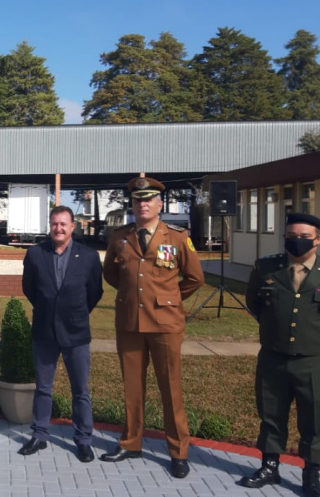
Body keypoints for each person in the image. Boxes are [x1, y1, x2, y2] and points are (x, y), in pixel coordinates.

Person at [240, 213, 320, 497]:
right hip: (273, 357)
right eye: (292, 234)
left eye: (305, 236)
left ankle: (311, 476)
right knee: (270, 414)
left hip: (314, 361)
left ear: (318, 239)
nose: (297, 240)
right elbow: (254, 303)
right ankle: (270, 467)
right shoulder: (266, 267)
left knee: (314, 419)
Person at [100, 176, 203, 478]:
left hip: (165, 325)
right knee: (132, 387)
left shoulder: (177, 237)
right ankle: (131, 442)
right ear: (132, 204)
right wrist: (136, 298)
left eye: (148, 200)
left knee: (170, 388)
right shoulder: (119, 236)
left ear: (160, 204)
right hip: (130, 322)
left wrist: (168, 299)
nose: (142, 204)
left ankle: (178, 451)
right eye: (137, 200)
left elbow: (195, 278)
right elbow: (111, 275)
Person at [19, 206, 103, 461]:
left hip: (76, 332)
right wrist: (50, 309)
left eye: (63, 224)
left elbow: (95, 292)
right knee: (43, 388)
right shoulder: (35, 254)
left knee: (80, 390)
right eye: (55, 224)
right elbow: (29, 289)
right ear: (50, 225)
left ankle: (83, 439)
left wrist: (73, 312)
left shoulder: (88, 256)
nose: (58, 228)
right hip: (44, 331)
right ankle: (40, 435)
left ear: (72, 227)